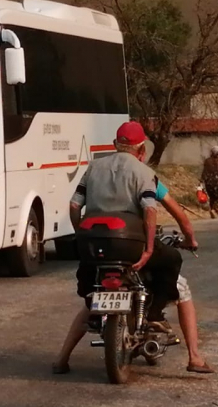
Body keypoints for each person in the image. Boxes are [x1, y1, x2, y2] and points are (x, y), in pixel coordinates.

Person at [53, 121, 184, 374]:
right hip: (129, 246)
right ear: (141, 149)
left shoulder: (93, 167)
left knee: (88, 282)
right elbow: (149, 210)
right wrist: (147, 248)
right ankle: (155, 313)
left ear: (115, 145)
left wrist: (81, 233)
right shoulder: (143, 171)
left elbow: (73, 205)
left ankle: (91, 315)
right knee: (171, 259)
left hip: (95, 245)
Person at [154, 180, 214, 374]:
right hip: (139, 245)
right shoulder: (145, 177)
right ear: (140, 153)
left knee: (96, 299)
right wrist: (190, 240)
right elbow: (177, 213)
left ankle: (63, 357)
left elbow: (74, 206)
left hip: (102, 249)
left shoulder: (96, 172)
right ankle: (194, 356)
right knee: (182, 291)